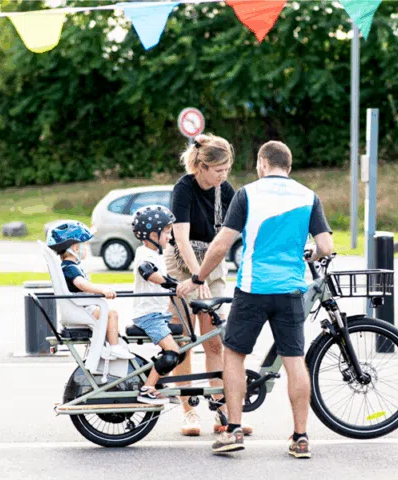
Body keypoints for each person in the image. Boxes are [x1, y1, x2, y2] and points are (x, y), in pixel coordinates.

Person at [178, 140, 334, 457]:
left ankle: (233, 430)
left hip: (253, 288)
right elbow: (326, 247)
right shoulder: (308, 196)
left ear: (263, 163)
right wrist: (310, 255)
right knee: (294, 361)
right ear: (288, 166)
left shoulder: (248, 194)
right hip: (290, 290)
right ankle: (300, 438)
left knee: (234, 356)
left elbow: (221, 245)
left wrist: (198, 278)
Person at [164, 133, 252, 436]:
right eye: (218, 170)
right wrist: (194, 277)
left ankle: (221, 409)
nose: (223, 175)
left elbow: (239, 229)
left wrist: (204, 275)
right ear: (201, 166)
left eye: (227, 169)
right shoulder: (184, 188)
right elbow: (181, 238)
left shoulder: (224, 190)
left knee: (214, 340)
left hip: (212, 263)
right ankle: (189, 412)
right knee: (184, 340)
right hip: (182, 263)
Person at [47, 221, 134, 360]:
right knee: (111, 314)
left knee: (107, 313)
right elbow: (82, 285)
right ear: (76, 248)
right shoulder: (70, 268)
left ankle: (107, 346)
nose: (86, 249)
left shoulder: (68, 267)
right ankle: (114, 347)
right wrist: (103, 289)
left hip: (80, 308)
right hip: (82, 310)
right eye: (84, 245)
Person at [130, 204, 185, 405]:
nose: (170, 237)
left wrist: (177, 284)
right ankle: (148, 389)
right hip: (149, 316)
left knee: (182, 348)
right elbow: (148, 272)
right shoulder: (144, 255)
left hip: (158, 315)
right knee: (171, 353)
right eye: (167, 232)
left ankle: (157, 384)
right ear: (153, 234)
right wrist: (169, 282)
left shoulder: (155, 254)